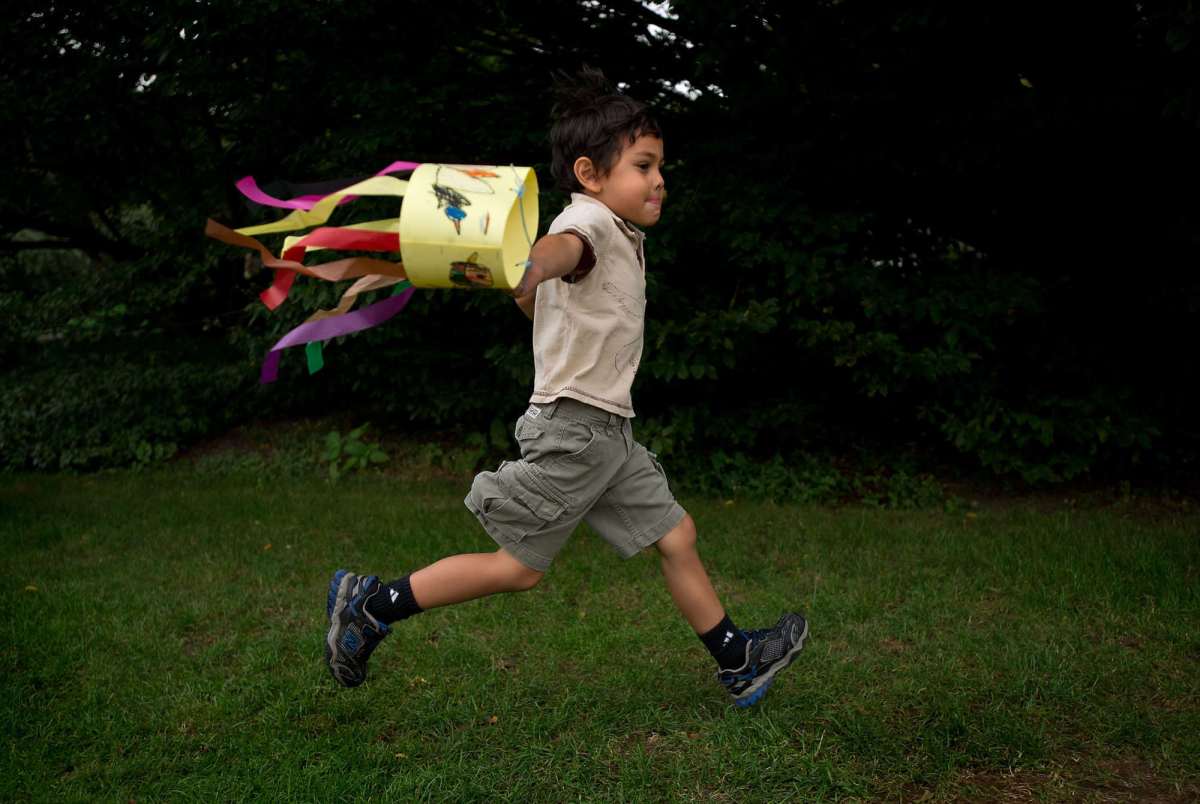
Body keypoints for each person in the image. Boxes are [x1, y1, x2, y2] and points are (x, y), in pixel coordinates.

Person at [325, 68, 807, 707]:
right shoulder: (593, 224)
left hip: (607, 432)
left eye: (661, 165)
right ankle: (372, 606)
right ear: (591, 174)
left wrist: (528, 284)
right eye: (644, 165)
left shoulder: (620, 233)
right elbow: (562, 250)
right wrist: (533, 261)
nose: (659, 178)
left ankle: (737, 660)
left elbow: (548, 300)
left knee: (676, 534)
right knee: (518, 569)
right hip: (576, 432)